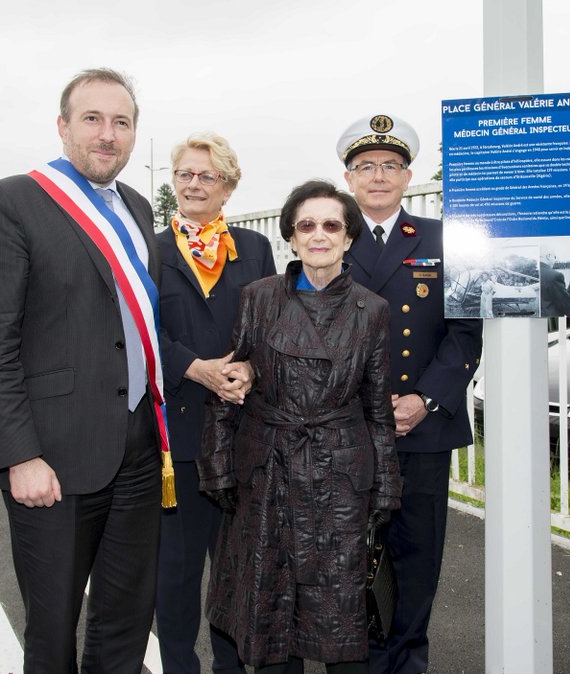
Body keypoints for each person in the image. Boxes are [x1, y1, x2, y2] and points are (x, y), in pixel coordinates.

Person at [0, 68, 165, 673]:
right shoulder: (10, 200)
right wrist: (19, 453)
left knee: (126, 617)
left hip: (136, 449)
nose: (108, 134)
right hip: (52, 458)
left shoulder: (135, 206)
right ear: (63, 126)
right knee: (52, 628)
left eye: (121, 122)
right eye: (93, 119)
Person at [200, 179, 401, 674]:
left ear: (349, 238)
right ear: (290, 237)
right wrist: (219, 467)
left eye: (331, 225)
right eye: (306, 224)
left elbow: (377, 409)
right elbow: (229, 386)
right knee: (272, 618)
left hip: (339, 478)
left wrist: (385, 488)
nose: (319, 235)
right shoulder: (258, 298)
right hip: (269, 473)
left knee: (341, 619)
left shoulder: (372, 311)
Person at [337, 114, 483, 674]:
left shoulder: (443, 238)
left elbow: (465, 332)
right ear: (348, 177)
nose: (379, 176)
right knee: (348, 559)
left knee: (417, 558)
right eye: (366, 166)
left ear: (408, 175)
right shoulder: (328, 233)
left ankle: (407, 662)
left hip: (420, 428)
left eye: (390, 166)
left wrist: (424, 399)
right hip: (346, 431)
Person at [155, 132, 276, 674]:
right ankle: (180, 665)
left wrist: (250, 366)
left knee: (235, 569)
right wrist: (193, 366)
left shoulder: (255, 249)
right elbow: (137, 331)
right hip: (175, 434)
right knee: (175, 572)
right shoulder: (148, 248)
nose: (194, 184)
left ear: (228, 187)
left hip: (243, 431)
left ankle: (232, 667)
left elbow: (275, 324)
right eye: (185, 174)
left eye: (207, 176)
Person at [539, 252, 570, 317]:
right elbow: (565, 304)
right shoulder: (554, 275)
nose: (555, 260)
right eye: (554, 257)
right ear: (548, 256)